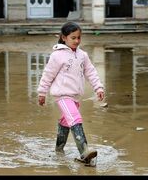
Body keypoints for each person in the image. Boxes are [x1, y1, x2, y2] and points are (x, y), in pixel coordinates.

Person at [37, 21, 105, 163]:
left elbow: (91, 72)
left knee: (66, 121)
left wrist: (98, 87)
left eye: (79, 37)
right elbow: (48, 75)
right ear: (64, 38)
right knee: (75, 118)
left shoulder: (82, 55)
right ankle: (84, 151)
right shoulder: (57, 56)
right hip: (62, 95)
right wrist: (42, 92)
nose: (76, 41)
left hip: (75, 96)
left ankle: (59, 149)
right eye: (73, 38)